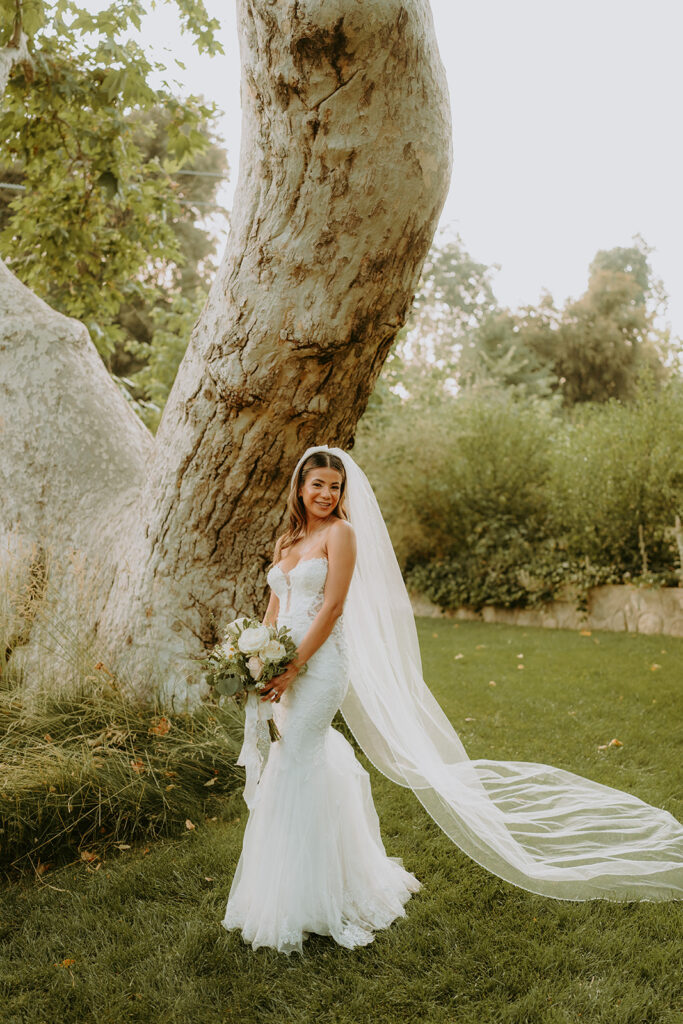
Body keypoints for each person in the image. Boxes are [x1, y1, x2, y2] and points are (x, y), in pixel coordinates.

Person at [222, 446, 683, 955]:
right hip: (284, 667)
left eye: (335, 486)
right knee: (301, 758)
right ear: (300, 489)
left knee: (296, 759)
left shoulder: (341, 535)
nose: (328, 495)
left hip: (320, 665)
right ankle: (314, 880)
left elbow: (331, 608)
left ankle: (315, 896)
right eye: (318, 486)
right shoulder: (288, 540)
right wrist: (255, 661)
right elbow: (274, 607)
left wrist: (292, 665)